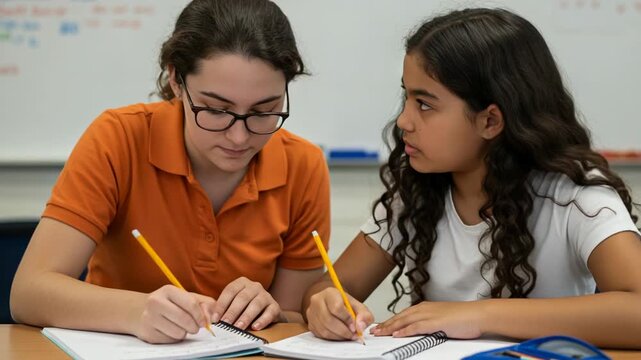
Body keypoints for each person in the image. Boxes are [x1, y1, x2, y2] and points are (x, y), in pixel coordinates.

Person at [303, 8, 641, 348]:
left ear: (490, 121)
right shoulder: (416, 193)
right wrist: (324, 305)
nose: (403, 121)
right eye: (406, 96)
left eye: (424, 104)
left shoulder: (575, 195)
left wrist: (479, 315)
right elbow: (329, 289)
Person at [11, 0, 330, 344]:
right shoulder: (118, 139)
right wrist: (137, 311)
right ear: (176, 80)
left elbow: (293, 317)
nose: (239, 136)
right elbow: (28, 292)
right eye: (216, 109)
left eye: (264, 111)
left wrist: (273, 311)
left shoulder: (303, 166)